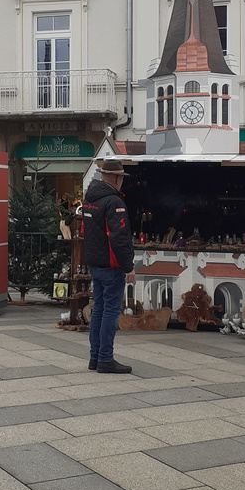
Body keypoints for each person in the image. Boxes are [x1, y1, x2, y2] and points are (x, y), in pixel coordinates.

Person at [82, 158, 136, 373]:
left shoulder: (90, 199)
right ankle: (105, 358)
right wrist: (128, 267)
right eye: (121, 178)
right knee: (110, 311)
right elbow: (119, 238)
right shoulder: (114, 202)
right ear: (115, 178)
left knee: (99, 310)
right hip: (111, 265)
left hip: (95, 263)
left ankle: (95, 358)